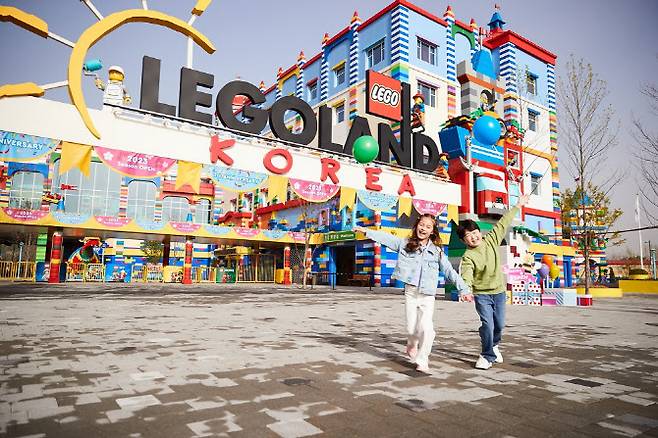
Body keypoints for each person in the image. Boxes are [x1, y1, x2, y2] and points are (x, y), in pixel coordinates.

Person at [353, 214, 470, 373]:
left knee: (427, 329)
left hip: (428, 294)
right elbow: (386, 238)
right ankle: (411, 344)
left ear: (432, 231)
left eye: (428, 227)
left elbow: (449, 271)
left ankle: (423, 360)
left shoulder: (437, 252)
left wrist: (464, 289)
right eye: (422, 225)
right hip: (411, 292)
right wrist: (366, 231)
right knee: (411, 329)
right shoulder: (405, 244)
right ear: (416, 226)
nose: (424, 229)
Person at [457, 194, 530, 370]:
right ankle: (487, 355)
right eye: (469, 235)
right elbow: (466, 274)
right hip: (482, 294)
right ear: (463, 240)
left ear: (479, 232)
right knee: (488, 323)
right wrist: (465, 290)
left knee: (499, 324)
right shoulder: (468, 256)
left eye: (475, 233)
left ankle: (494, 344)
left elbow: (503, 222)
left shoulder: (491, 240)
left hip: (499, 292)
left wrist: (518, 205)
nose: (473, 237)